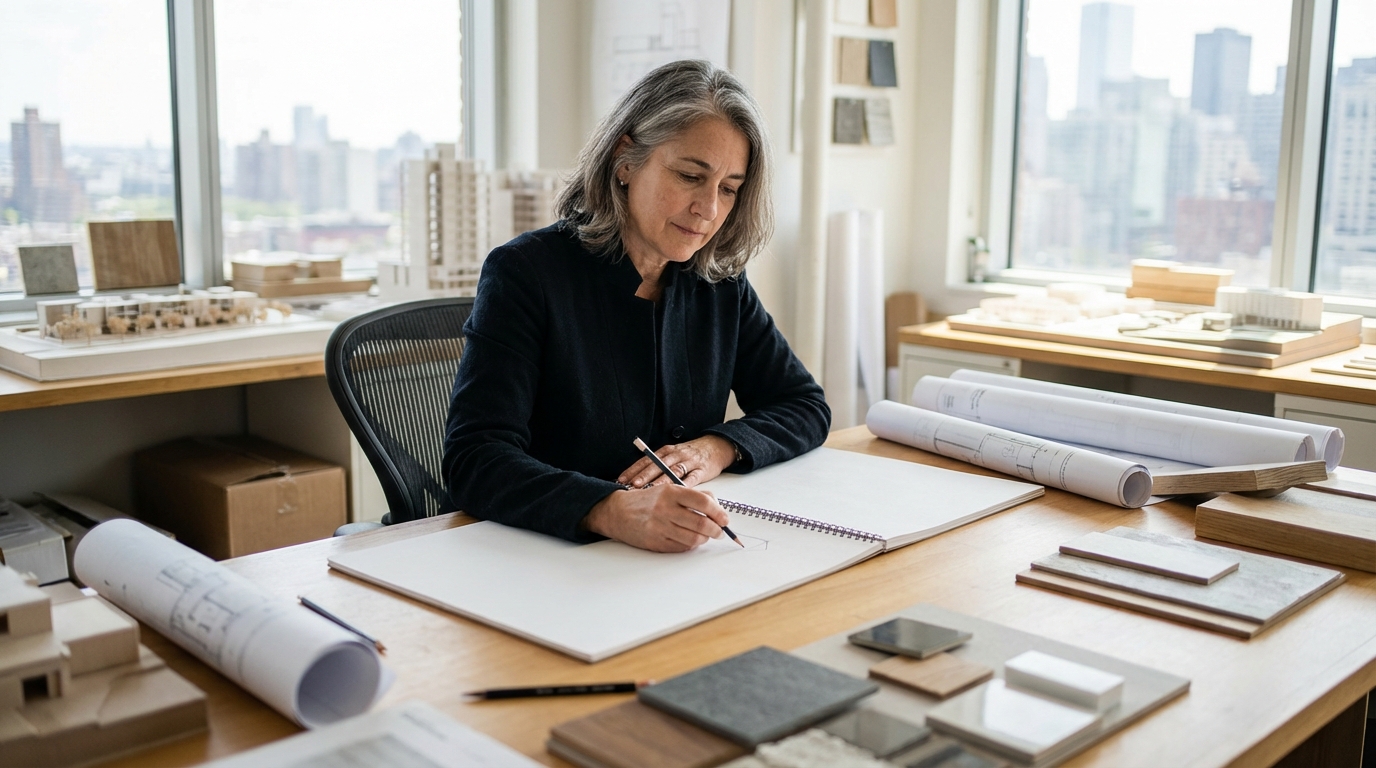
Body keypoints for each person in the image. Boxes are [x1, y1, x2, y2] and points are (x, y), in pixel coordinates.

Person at [442, 59, 830, 553]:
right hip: (548, 557)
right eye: (690, 176)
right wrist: (608, 509)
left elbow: (804, 405)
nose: (709, 209)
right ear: (626, 160)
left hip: (669, 559)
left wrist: (715, 448)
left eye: (729, 189)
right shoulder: (526, 272)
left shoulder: (719, 281)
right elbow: (474, 459)